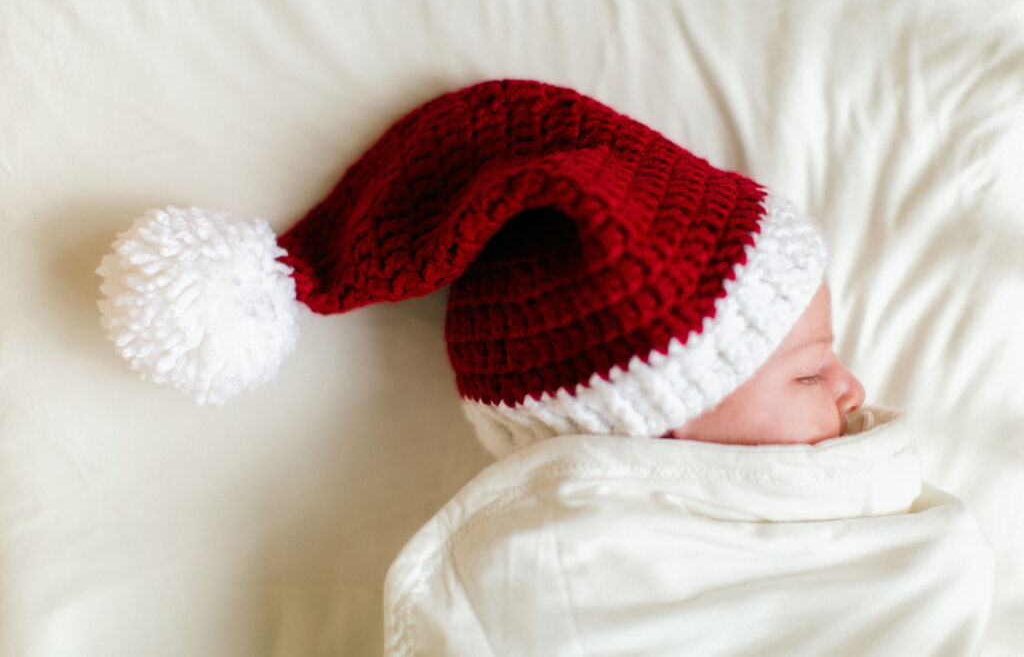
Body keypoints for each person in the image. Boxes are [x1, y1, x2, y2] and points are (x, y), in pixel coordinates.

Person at [96, 79, 994, 655]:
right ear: (656, 430)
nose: (852, 389)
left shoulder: (876, 536)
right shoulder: (545, 564)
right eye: (809, 372)